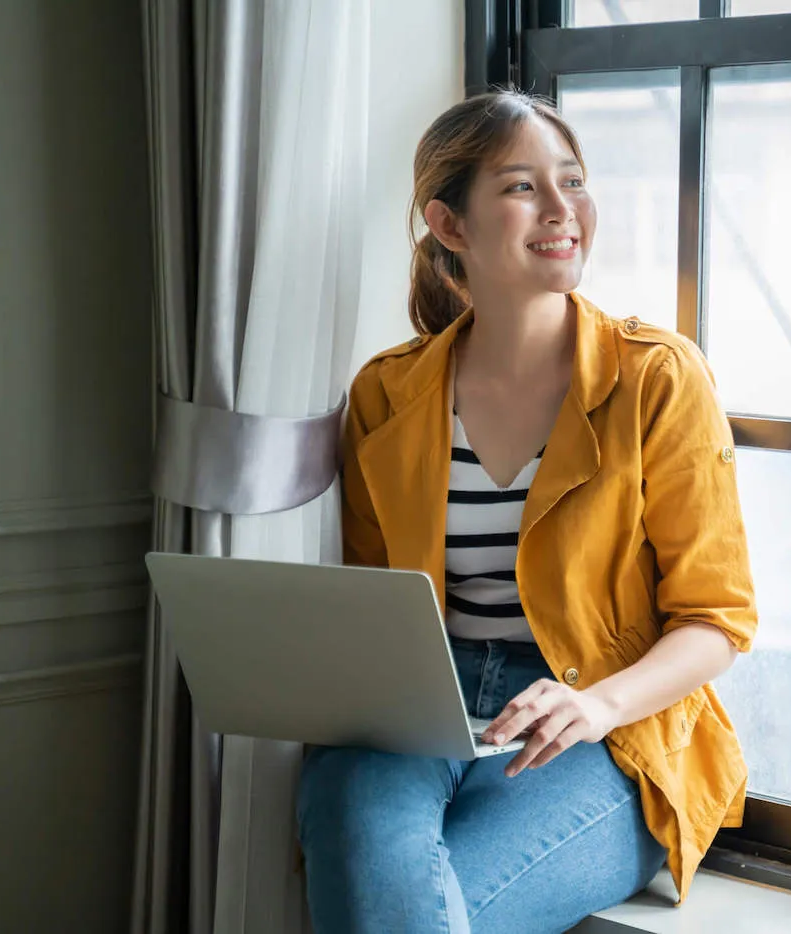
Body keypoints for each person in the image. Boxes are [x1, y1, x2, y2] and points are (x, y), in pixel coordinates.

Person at [296, 90, 757, 934]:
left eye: (572, 181)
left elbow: (715, 621)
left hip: (607, 728)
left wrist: (596, 707)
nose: (562, 210)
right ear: (450, 224)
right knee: (369, 856)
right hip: (416, 709)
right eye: (522, 188)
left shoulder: (657, 377)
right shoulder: (387, 392)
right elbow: (373, 602)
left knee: (416, 907)